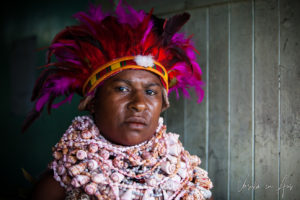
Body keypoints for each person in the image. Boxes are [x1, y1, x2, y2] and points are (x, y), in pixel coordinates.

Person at [23, 2, 213, 199]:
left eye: (150, 92)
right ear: (92, 103)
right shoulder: (62, 182)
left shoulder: (187, 179)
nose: (139, 104)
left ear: (163, 104)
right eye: (122, 89)